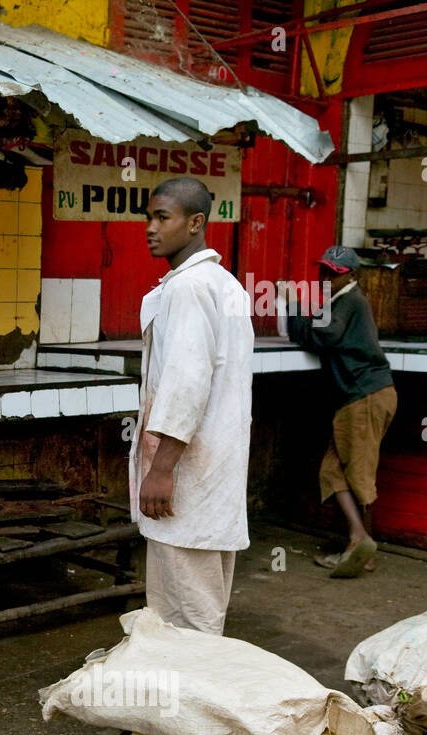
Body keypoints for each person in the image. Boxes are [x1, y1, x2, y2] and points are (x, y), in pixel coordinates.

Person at [134, 177, 254, 635]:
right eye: (149, 216)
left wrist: (162, 468)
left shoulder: (189, 288)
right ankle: (190, 697)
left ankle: (189, 701)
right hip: (212, 477)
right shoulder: (223, 285)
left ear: (196, 223)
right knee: (201, 608)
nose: (150, 227)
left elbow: (187, 383)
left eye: (163, 217)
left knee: (183, 619)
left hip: (186, 476)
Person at [283, 246, 397, 578]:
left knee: (359, 477)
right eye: (323, 271)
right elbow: (310, 333)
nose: (326, 278)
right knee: (332, 473)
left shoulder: (349, 301)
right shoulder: (339, 302)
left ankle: (363, 551)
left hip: (366, 397)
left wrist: (293, 305)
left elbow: (322, 337)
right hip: (360, 398)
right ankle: (358, 540)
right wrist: (299, 313)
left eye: (334, 273)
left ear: (350, 275)